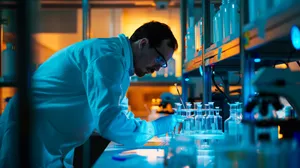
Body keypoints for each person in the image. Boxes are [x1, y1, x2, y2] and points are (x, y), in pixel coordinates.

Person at [0, 21, 179, 167]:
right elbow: (109, 122)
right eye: (159, 60)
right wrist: (156, 128)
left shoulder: (120, 63)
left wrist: (150, 128)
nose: (157, 69)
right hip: (29, 135)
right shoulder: (107, 57)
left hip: (49, 141)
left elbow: (119, 111)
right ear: (143, 44)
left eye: (162, 64)